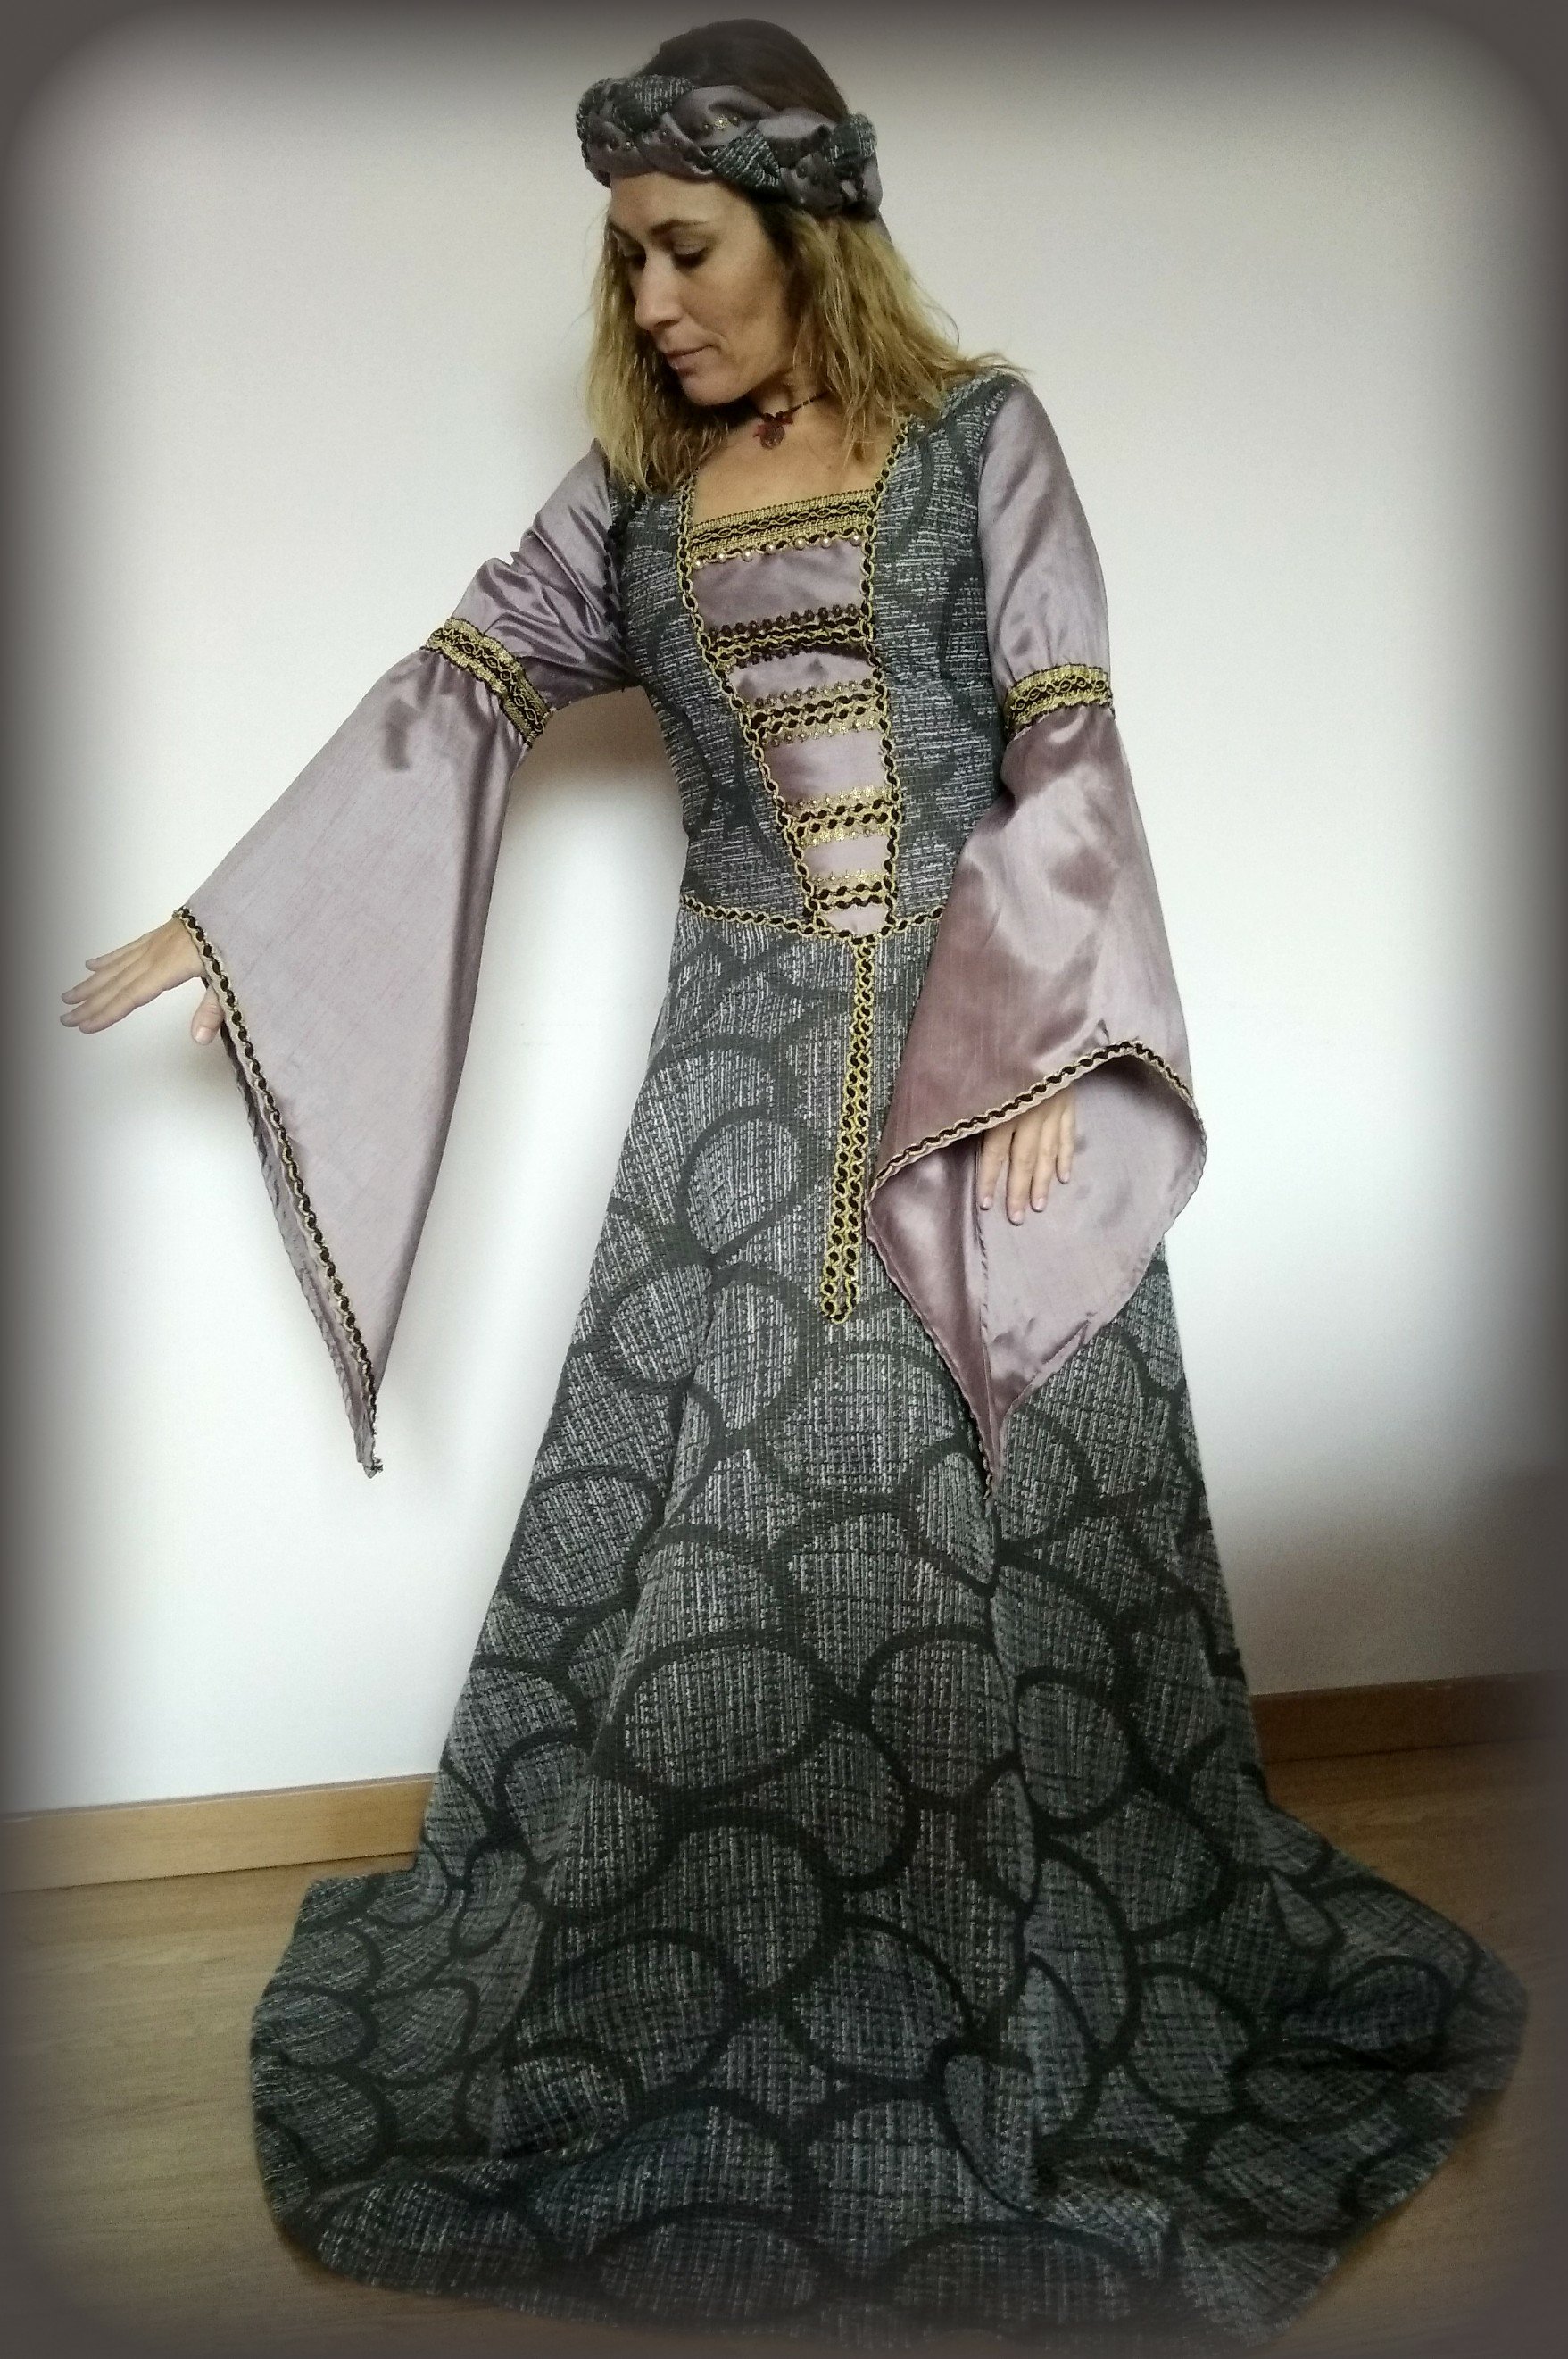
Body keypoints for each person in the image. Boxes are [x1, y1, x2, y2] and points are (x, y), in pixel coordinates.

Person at [61, 18, 1526, 2347]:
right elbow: (464, 685)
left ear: (805, 229)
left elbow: (1065, 739)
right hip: (733, 1097)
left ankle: (1021, 1982)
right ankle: (718, 1992)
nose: (649, 302)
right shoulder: (640, 501)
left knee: (992, 1539)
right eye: (626, 262)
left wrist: (1051, 1033)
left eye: (683, 247)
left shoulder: (979, 440)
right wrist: (234, 922)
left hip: (972, 1071)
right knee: (728, 1546)